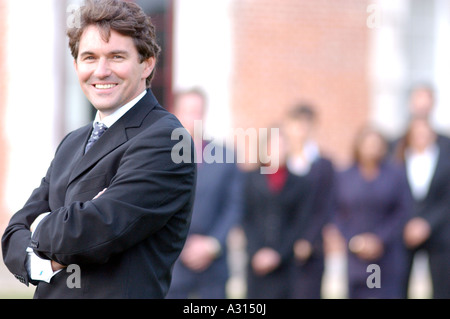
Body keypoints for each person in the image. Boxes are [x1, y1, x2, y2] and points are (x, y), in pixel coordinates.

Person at [1, 0, 196, 299]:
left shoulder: (166, 140)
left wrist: (41, 224)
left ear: (147, 63)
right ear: (77, 64)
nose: (101, 71)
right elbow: (13, 234)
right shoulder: (72, 143)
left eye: (116, 56)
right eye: (89, 57)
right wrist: (44, 264)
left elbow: (92, 232)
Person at [166, 88, 243, 299]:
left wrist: (212, 244)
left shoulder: (225, 156)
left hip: (214, 265)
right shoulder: (159, 158)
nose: (194, 117)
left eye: (198, 111)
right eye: (188, 111)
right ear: (176, 113)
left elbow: (235, 206)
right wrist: (180, 245)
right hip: (171, 262)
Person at [334, 127, 412, 298]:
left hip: (386, 253)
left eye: (376, 144)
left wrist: (380, 239)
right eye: (368, 144)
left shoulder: (395, 175)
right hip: (356, 256)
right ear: (358, 146)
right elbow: (336, 212)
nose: (372, 149)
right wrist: (355, 241)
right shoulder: (344, 177)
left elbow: (402, 210)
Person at [242, 128, 312, 298]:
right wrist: (256, 251)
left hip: (286, 263)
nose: (278, 150)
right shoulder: (250, 179)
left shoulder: (300, 183)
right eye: (273, 145)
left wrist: (278, 254)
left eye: (282, 145)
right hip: (256, 262)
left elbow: (300, 221)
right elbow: (245, 218)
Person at [282, 104, 335, 299]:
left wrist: (307, 240)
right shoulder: (278, 161)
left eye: (305, 124)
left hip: (312, 248)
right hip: (281, 247)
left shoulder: (324, 165)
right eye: (296, 124)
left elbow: (325, 206)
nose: (300, 130)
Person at [394, 116, 450, 298]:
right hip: (405, 231)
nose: (421, 137)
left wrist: (427, 224)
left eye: (425, 133)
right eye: (416, 133)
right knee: (399, 284)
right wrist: (408, 224)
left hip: (439, 232)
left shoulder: (445, 160)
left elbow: (446, 199)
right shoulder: (398, 159)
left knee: (442, 287)